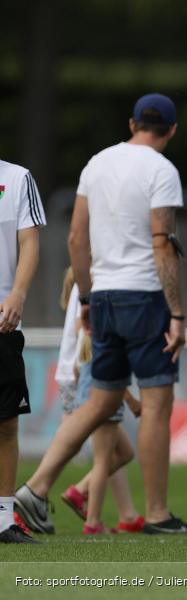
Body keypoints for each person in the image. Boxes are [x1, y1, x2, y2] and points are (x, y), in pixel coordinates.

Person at [15, 93, 187, 535]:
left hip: (102, 296)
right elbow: (162, 243)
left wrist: (85, 301)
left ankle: (35, 489)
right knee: (156, 404)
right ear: (171, 130)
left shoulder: (96, 163)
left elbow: (76, 238)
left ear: (133, 122)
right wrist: (176, 313)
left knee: (100, 400)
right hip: (144, 297)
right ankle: (156, 513)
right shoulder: (162, 171)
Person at [52, 268, 145, 535]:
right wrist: (127, 397)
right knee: (105, 456)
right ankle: (91, 518)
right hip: (88, 375)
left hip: (77, 374)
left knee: (119, 452)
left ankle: (116, 510)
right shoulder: (95, 292)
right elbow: (96, 356)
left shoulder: (84, 289)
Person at [0, 158, 45, 544]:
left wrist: (17, 293)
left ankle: (2, 519)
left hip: (1, 317)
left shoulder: (16, 179)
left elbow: (29, 242)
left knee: (6, 421)